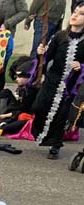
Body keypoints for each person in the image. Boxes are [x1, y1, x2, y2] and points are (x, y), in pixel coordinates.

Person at [32, 2, 84, 159]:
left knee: (61, 114)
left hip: (71, 85)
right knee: (39, 107)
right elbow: (47, 58)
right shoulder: (60, 36)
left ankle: (55, 144)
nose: (75, 16)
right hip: (53, 79)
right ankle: (41, 134)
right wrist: (41, 53)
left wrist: (81, 66)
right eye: (74, 12)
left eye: (81, 14)